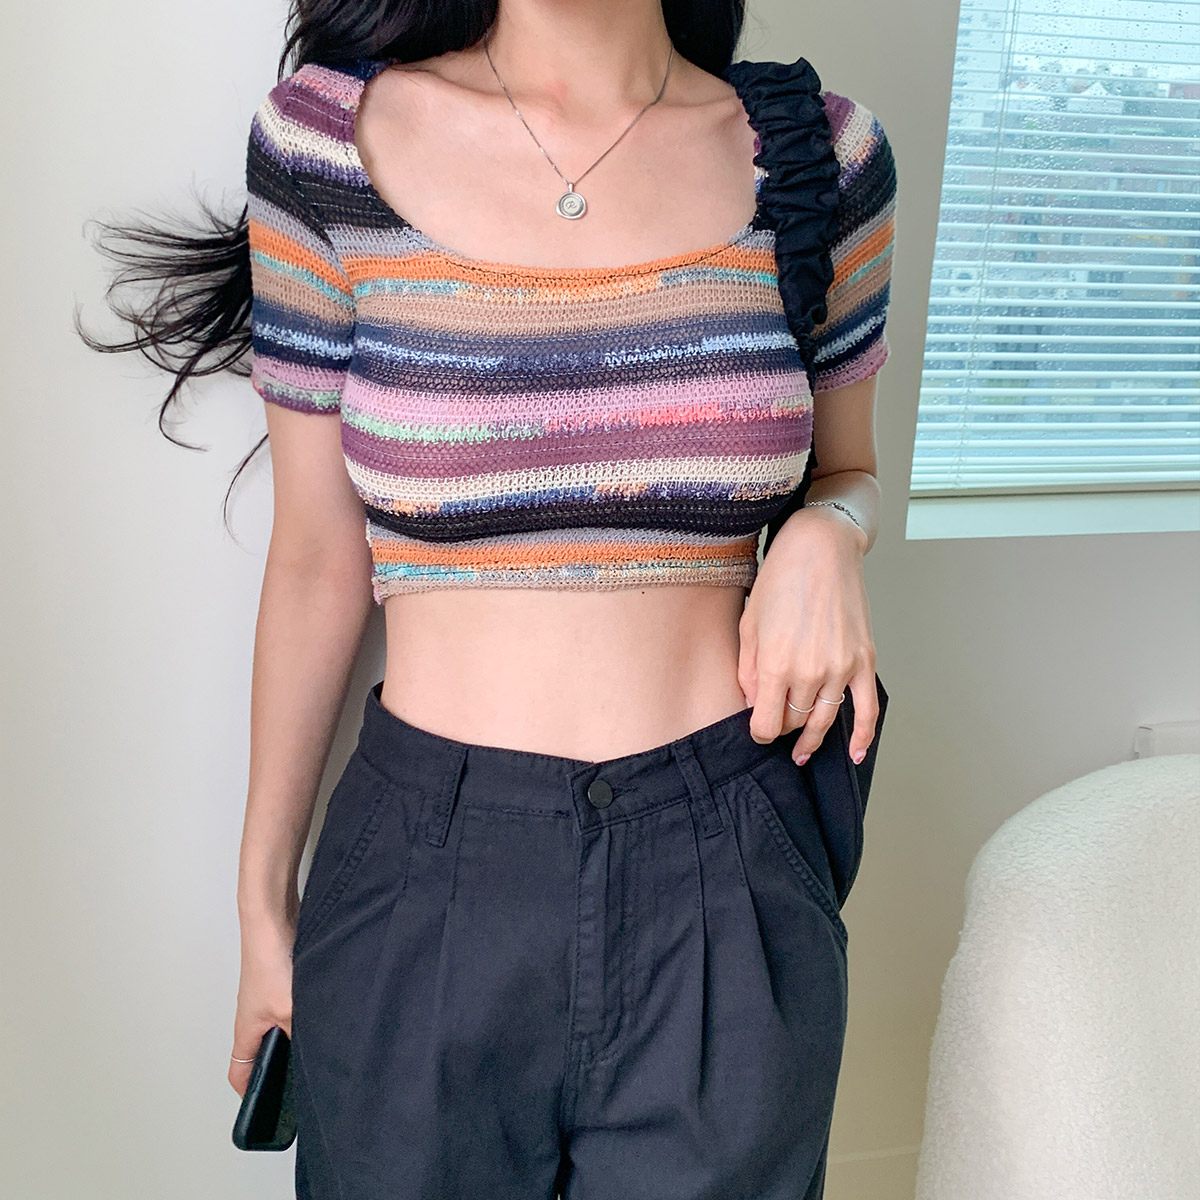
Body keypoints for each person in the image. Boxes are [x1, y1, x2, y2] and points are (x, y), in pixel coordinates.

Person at [86, 1, 897, 1196]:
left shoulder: (820, 155)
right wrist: (262, 902)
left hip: (727, 859)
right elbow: (316, 556)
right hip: (424, 869)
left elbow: (850, 470)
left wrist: (831, 531)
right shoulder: (324, 146)